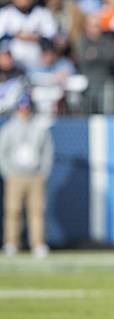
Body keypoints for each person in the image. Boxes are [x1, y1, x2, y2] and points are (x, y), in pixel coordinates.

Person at [0, 94, 53, 258]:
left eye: (27, 107)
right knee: (12, 211)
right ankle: (11, 243)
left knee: (36, 211)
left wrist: (43, 172)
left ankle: (37, 244)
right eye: (22, 107)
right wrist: (7, 172)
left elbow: (47, 151)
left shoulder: (38, 127)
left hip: (34, 175)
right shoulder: (9, 128)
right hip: (15, 175)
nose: (24, 110)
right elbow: (2, 152)